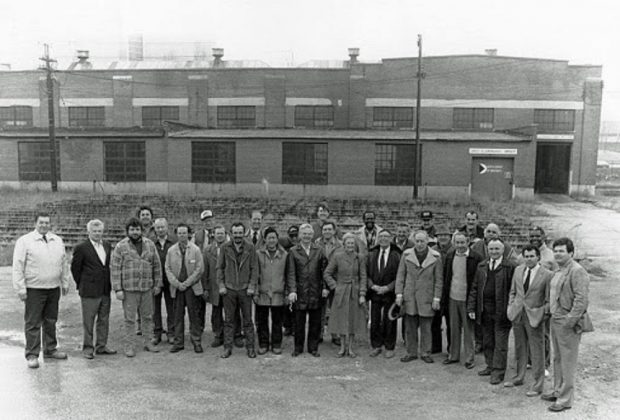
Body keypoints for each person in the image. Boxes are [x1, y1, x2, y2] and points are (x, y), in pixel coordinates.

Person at [12, 212, 70, 369]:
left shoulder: (57, 240)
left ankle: (50, 349)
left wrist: (65, 282)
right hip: (34, 289)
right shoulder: (25, 241)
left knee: (51, 321)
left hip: (53, 288)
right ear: (35, 223)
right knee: (33, 323)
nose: (44, 225)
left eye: (47, 223)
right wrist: (20, 288)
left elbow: (63, 263)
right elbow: (18, 266)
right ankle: (32, 354)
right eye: (41, 222)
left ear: (50, 224)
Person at [541, 237, 590, 412]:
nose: (557, 254)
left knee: (568, 361)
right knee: (558, 358)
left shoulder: (577, 271)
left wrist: (570, 321)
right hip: (555, 319)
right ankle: (557, 390)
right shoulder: (559, 270)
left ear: (571, 253)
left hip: (567, 322)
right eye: (555, 251)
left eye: (562, 251)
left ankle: (565, 399)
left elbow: (581, 300)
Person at [110, 217, 163, 357]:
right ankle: (129, 346)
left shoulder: (150, 245)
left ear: (142, 230)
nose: (135, 232)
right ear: (127, 231)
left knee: (147, 317)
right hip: (129, 289)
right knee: (130, 319)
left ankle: (148, 342)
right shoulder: (121, 246)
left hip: (147, 288)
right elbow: (115, 269)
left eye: (137, 229)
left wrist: (158, 284)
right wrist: (118, 289)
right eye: (132, 229)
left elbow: (157, 266)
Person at [505, 245, 554, 394]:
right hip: (518, 313)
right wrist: (511, 307)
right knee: (519, 347)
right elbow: (513, 291)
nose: (529, 259)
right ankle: (518, 377)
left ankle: (537, 385)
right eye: (526, 256)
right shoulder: (518, 270)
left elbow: (548, 299)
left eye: (532, 256)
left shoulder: (547, 274)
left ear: (538, 257)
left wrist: (542, 314)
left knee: (537, 350)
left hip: (535, 316)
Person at [467, 239, 516, 384]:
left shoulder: (510, 267)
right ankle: (490, 365)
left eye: (497, 249)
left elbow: (514, 291)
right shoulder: (482, 265)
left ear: (503, 250)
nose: (494, 252)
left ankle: (498, 372)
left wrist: (510, 309)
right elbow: (475, 287)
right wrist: (471, 306)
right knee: (488, 340)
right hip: (485, 310)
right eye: (491, 249)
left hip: (501, 311)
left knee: (500, 343)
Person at [70, 219, 116, 359]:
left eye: (100, 231)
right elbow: (75, 269)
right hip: (89, 291)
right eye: (94, 231)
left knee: (104, 319)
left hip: (104, 289)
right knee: (88, 321)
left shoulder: (107, 245)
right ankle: (88, 348)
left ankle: (101, 346)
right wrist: (83, 283)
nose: (97, 233)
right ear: (88, 232)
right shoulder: (81, 247)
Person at [395, 230, 443, 364]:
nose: (420, 244)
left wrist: (436, 298)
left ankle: (425, 352)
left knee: (426, 328)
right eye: (417, 241)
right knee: (410, 327)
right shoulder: (406, 255)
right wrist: (399, 294)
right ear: (414, 241)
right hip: (409, 296)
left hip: (427, 297)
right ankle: (411, 352)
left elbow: (439, 280)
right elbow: (400, 276)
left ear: (427, 241)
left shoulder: (436, 257)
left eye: (422, 241)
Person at [217, 222, 259, 358]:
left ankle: (250, 347)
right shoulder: (224, 247)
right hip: (229, 289)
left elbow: (254, 268)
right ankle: (227, 347)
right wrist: (221, 285)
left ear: (244, 233)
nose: (238, 236)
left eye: (240, 233)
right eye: (235, 233)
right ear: (231, 234)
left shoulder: (250, 247)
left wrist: (252, 286)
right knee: (228, 320)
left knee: (248, 320)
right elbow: (220, 268)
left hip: (245, 289)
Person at [441, 232, 482, 369]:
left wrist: (474, 301)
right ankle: (453, 355)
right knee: (453, 328)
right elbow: (447, 277)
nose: (459, 245)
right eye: (457, 242)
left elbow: (478, 282)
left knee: (469, 330)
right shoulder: (450, 256)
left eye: (462, 242)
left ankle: (469, 358)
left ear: (468, 241)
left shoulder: (476, 258)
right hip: (453, 297)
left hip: (467, 299)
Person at [323, 233, 368, 358]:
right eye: (348, 243)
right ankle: (342, 346)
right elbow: (327, 273)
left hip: (355, 291)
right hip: (341, 291)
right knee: (341, 319)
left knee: (353, 319)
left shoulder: (360, 258)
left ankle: (351, 347)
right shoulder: (337, 257)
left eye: (352, 244)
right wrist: (335, 286)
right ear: (344, 244)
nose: (350, 246)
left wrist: (362, 293)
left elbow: (363, 276)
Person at [287, 224, 328, 357]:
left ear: (312, 235)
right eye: (304, 234)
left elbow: (324, 271)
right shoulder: (293, 251)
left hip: (316, 291)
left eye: (309, 234)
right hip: (300, 292)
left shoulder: (320, 250)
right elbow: (291, 273)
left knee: (315, 322)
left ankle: (313, 347)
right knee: (299, 322)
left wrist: (325, 288)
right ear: (299, 235)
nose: (306, 236)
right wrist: (292, 290)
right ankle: (298, 348)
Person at [166, 223, 205, 353]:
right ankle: (178, 342)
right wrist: (177, 284)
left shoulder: (195, 250)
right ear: (176, 234)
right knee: (177, 316)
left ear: (188, 234)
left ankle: (196, 341)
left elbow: (199, 269)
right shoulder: (171, 251)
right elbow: (168, 269)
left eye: (184, 233)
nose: (182, 235)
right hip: (177, 288)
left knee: (194, 316)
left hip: (191, 288)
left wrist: (187, 283)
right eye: (180, 233)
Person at [255, 227, 294, 355]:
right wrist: (255, 291)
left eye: (274, 238)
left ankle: (276, 343)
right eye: (269, 238)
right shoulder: (258, 254)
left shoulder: (284, 255)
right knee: (262, 321)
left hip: (278, 292)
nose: (272, 240)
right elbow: (255, 274)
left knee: (277, 321)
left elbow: (288, 274)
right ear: (265, 239)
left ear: (277, 239)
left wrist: (288, 292)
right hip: (263, 293)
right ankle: (263, 343)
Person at [203, 225, 243, 348]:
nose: (219, 236)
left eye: (222, 233)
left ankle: (236, 335)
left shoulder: (231, 248)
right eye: (217, 233)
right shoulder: (208, 250)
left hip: (230, 285)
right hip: (214, 286)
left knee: (233, 312)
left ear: (225, 235)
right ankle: (218, 335)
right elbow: (205, 270)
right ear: (213, 235)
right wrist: (206, 287)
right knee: (216, 312)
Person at [367, 229, 401, 359]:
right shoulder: (372, 254)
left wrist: (388, 287)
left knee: (390, 321)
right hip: (375, 292)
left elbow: (400, 275)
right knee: (375, 320)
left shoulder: (396, 255)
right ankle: (376, 346)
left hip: (390, 293)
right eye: (381, 236)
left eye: (386, 237)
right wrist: (372, 286)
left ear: (391, 238)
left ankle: (389, 346)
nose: (383, 239)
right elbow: (366, 273)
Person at [315, 220, 344, 346]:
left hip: (335, 280)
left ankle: (335, 334)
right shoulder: (316, 243)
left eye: (329, 229)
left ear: (334, 231)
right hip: (320, 281)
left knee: (335, 309)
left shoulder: (340, 245)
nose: (327, 231)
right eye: (324, 229)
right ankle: (319, 334)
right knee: (320, 310)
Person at [431, 224, 454, 353]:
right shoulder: (433, 250)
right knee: (435, 321)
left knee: (451, 323)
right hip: (436, 289)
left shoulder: (455, 250)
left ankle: (452, 348)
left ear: (450, 237)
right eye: (440, 235)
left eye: (445, 235)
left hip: (450, 290)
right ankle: (436, 347)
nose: (443, 237)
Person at [152, 218, 175, 345]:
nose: (160, 230)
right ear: (154, 229)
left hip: (170, 280)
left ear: (167, 227)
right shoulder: (150, 242)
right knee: (155, 308)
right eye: (158, 227)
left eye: (162, 227)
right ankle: (157, 332)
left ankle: (171, 332)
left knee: (171, 307)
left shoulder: (174, 241)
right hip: (155, 280)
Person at [279, 224, 300, 336]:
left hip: (299, 278)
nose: (294, 238)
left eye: (296, 235)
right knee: (286, 305)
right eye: (292, 235)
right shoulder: (284, 247)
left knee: (297, 305)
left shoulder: (302, 247)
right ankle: (287, 326)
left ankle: (296, 326)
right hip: (286, 277)